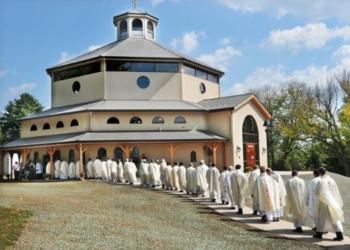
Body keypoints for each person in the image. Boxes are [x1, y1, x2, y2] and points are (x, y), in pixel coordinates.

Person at [314, 167, 344, 241]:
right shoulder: (332, 180)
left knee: (322, 218)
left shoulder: (320, 181)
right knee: (334, 218)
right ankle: (339, 235)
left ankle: (319, 233)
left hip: (324, 202)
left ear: (320, 173)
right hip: (333, 202)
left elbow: (317, 192)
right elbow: (336, 191)